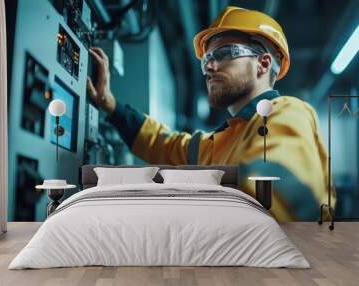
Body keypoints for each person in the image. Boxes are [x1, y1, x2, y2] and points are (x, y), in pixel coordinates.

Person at [86, 6, 334, 221]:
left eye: (225, 54)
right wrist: (110, 104)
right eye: (206, 60)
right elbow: (161, 143)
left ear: (263, 64)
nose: (209, 67)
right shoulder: (216, 144)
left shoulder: (287, 112)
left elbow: (277, 197)